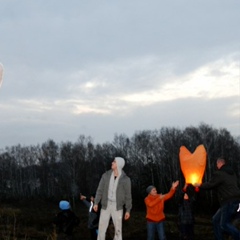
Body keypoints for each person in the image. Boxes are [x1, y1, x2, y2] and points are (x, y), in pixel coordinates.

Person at [194, 157, 240, 240]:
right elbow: (225, 186)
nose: (217, 166)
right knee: (215, 220)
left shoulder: (220, 173)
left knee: (224, 224)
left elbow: (211, 184)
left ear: (219, 163)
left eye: (217, 164)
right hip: (237, 201)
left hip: (228, 201)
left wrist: (199, 185)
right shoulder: (232, 173)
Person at [93, 157, 132, 240]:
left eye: (114, 162)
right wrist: (96, 202)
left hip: (117, 207)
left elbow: (128, 196)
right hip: (105, 205)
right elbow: (99, 190)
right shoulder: (105, 176)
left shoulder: (126, 180)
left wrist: (128, 210)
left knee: (118, 230)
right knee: (101, 229)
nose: (112, 163)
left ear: (119, 164)